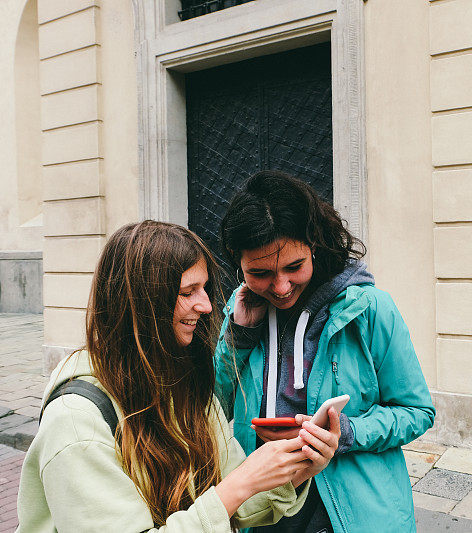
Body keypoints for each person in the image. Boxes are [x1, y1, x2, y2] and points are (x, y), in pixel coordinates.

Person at [17, 221, 341, 532]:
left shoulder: (186, 384)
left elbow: (235, 506)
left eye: (204, 289)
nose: (206, 306)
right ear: (141, 303)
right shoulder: (76, 420)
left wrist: (298, 468)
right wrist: (239, 484)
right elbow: (228, 496)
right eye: (188, 291)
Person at [214, 170, 435, 533]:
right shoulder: (238, 314)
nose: (281, 287)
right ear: (237, 263)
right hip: (260, 507)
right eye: (260, 273)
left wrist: (345, 432)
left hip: (352, 512)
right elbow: (211, 405)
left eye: (294, 267)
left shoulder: (369, 309)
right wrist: (239, 339)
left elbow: (417, 411)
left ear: (314, 244)